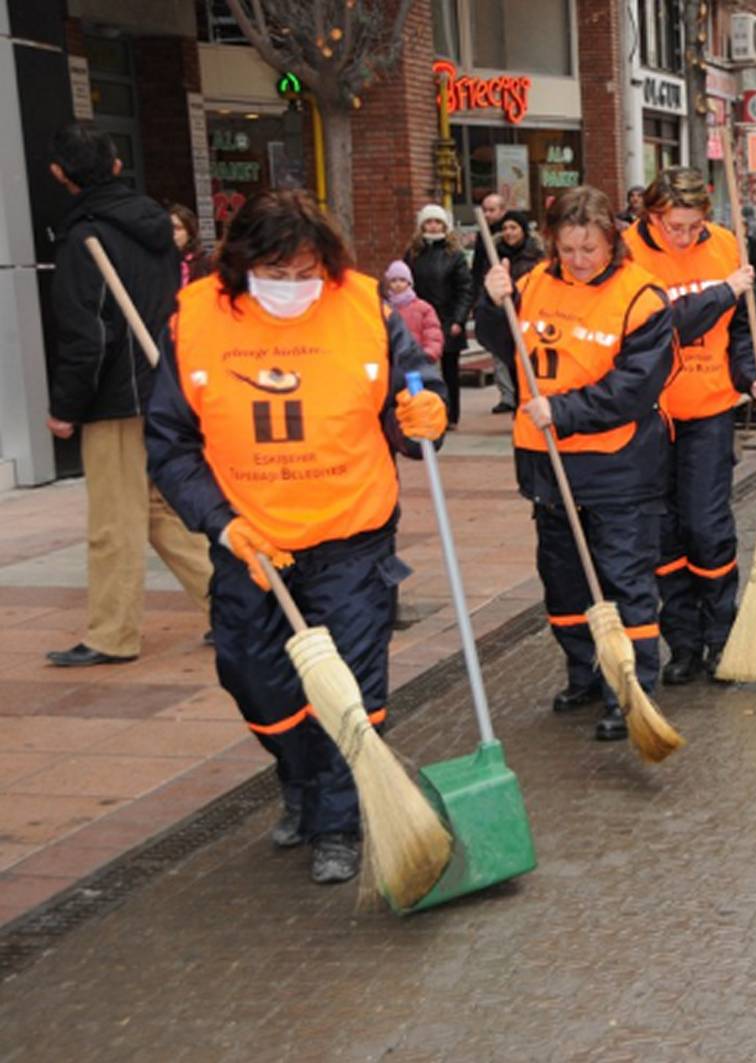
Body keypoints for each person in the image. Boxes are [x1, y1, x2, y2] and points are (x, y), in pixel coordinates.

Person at [145, 189, 447, 883]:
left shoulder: (365, 307)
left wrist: (424, 409)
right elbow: (170, 444)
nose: (291, 288)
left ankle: (339, 820)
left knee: (351, 685)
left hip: (352, 532)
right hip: (251, 542)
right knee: (255, 680)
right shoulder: (196, 320)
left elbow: (412, 385)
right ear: (242, 264)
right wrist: (221, 524)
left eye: (304, 272)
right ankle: (302, 779)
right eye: (274, 275)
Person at [476, 186, 673, 741]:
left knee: (623, 581)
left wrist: (561, 409)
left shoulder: (642, 297)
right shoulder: (535, 282)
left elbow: (634, 388)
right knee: (563, 582)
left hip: (617, 467)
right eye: (568, 249)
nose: (580, 260)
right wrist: (493, 304)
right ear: (552, 243)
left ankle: (629, 691)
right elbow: (502, 342)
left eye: (591, 248)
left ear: (613, 241)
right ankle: (584, 671)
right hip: (547, 465)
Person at [43, 123, 212, 668]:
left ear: (59, 175)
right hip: (159, 384)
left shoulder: (84, 239)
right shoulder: (154, 229)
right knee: (161, 509)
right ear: (117, 166)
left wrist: (66, 407)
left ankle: (112, 634)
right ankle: (237, 602)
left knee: (115, 519)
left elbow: (87, 335)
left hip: (115, 399)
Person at [622, 167, 756, 684]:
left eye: (692, 226)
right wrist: (723, 293)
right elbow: (661, 325)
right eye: (672, 227)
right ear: (650, 215)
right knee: (662, 534)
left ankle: (721, 636)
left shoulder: (728, 245)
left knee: (706, 528)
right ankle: (681, 643)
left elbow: (742, 333)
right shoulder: (627, 254)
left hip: (709, 408)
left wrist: (753, 378)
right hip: (648, 416)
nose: (683, 237)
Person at [404, 204, 473, 426]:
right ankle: (426, 411)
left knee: (450, 370)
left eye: (437, 222)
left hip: (447, 318)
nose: (433, 227)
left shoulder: (454, 255)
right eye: (429, 222)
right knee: (422, 368)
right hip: (420, 319)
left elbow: (465, 288)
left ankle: (451, 414)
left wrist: (458, 319)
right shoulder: (413, 254)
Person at [483, 210, 546, 413]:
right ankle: (516, 404)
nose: (509, 233)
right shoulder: (494, 255)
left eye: (513, 228)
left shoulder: (536, 255)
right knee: (511, 367)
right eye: (505, 228)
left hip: (533, 320)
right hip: (506, 319)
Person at [469, 193, 512, 411]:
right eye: (484, 210)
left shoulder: (512, 234)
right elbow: (477, 268)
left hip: (513, 297)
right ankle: (507, 396)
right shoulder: (482, 237)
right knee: (497, 349)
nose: (487, 214)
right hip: (490, 296)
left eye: (492, 210)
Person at [384, 260, 444, 361]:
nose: (398, 284)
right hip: (390, 361)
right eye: (393, 280)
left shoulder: (423, 308)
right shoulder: (384, 308)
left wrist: (428, 353)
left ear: (409, 282)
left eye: (402, 280)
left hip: (416, 360)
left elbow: (432, 334)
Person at [170, 203, 210, 287]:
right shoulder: (161, 261)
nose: (172, 233)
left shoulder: (202, 263)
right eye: (169, 228)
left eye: (178, 228)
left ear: (189, 233)